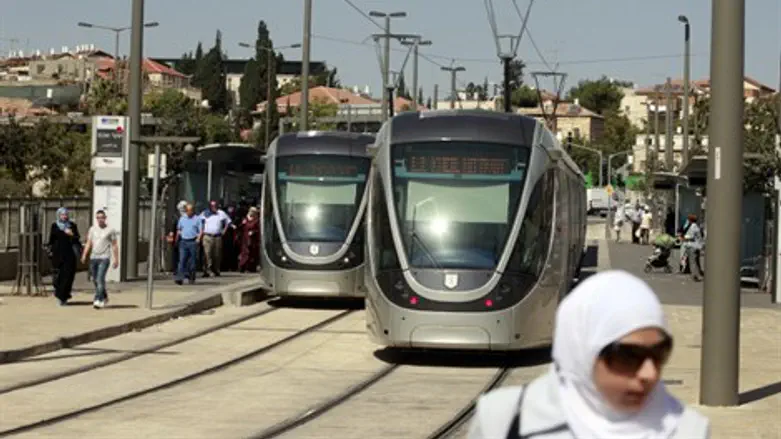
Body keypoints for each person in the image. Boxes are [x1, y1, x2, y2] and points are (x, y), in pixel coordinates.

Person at [468, 270, 710, 439]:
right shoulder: (502, 418)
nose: (650, 374)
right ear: (581, 352)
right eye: (628, 356)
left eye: (659, 354)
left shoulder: (688, 430)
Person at [80, 210, 119, 309]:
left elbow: (114, 245)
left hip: (104, 258)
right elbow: (89, 243)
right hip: (93, 257)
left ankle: (98, 299)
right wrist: (84, 255)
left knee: (100, 279)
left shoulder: (110, 230)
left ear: (105, 218)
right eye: (98, 217)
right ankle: (104, 296)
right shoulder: (92, 229)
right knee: (95, 280)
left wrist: (116, 259)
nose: (100, 219)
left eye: (102, 217)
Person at [47, 207, 82, 306]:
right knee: (58, 277)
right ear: (59, 215)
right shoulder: (55, 225)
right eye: (62, 215)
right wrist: (50, 250)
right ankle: (59, 295)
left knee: (68, 276)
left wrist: (71, 234)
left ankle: (64, 296)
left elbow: (77, 238)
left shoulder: (72, 225)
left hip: (69, 254)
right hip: (58, 254)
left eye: (66, 214)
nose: (64, 216)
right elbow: (51, 240)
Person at [200, 200, 232, 277]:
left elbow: (228, 222)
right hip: (207, 236)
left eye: (215, 206)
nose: (214, 207)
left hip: (217, 237)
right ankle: (208, 270)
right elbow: (200, 222)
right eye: (212, 206)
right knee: (207, 253)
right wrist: (201, 232)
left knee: (217, 254)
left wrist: (224, 230)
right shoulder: (204, 213)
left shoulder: (221, 213)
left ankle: (216, 269)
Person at [175, 203, 203, 285]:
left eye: (190, 210)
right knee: (182, 260)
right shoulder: (182, 219)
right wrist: (177, 239)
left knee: (192, 261)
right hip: (183, 242)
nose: (188, 212)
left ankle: (191, 277)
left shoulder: (197, 219)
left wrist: (198, 239)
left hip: (193, 242)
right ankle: (180, 278)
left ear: (193, 210)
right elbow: (179, 229)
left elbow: (201, 230)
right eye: (187, 210)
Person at [238, 207, 261, 272]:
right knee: (245, 253)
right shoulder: (245, 219)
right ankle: (242, 267)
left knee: (252, 253)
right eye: (251, 211)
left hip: (253, 240)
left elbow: (258, 229)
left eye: (253, 212)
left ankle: (250, 268)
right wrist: (242, 223)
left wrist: (253, 232)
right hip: (245, 239)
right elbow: (240, 228)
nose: (252, 213)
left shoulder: (256, 220)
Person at [682, 214, 704, 282]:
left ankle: (695, 276)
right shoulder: (696, 227)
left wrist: (684, 238)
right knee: (695, 262)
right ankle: (697, 274)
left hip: (692, 246)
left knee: (692, 262)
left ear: (690, 220)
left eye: (688, 220)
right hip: (696, 246)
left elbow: (690, 237)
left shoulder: (692, 227)